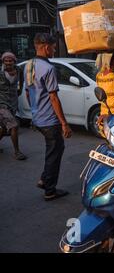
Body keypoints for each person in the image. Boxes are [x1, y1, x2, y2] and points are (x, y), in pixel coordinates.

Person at [25, 33, 72, 201]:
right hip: (50, 121)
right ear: (45, 47)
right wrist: (64, 123)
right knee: (55, 152)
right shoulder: (49, 68)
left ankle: (45, 179)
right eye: (53, 47)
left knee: (53, 150)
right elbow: (53, 97)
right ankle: (49, 190)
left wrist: (35, 110)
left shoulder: (29, 65)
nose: (54, 49)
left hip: (38, 118)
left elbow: (27, 92)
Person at [0, 52, 26, 160]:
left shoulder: (19, 70)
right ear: (3, 62)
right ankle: (17, 152)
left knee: (5, 128)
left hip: (13, 103)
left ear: (14, 61)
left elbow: (21, 82)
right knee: (14, 126)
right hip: (2, 103)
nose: (8, 63)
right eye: (6, 61)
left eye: (10, 61)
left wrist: (18, 91)